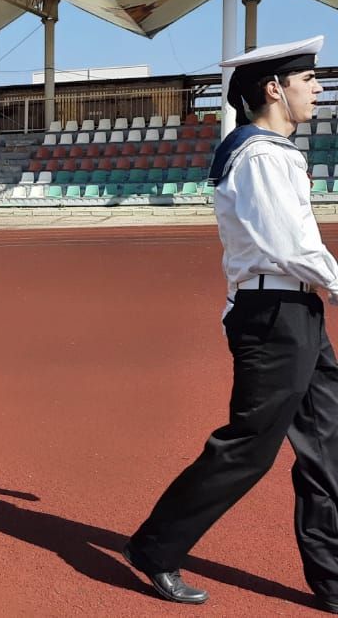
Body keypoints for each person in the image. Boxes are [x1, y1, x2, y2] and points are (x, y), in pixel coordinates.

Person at [125, 36, 338, 608]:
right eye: (307, 80)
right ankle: (155, 546)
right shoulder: (262, 157)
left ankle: (333, 576)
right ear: (274, 88)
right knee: (247, 447)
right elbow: (287, 244)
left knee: (328, 445)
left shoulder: (272, 151)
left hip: (296, 309)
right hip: (273, 315)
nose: (317, 88)